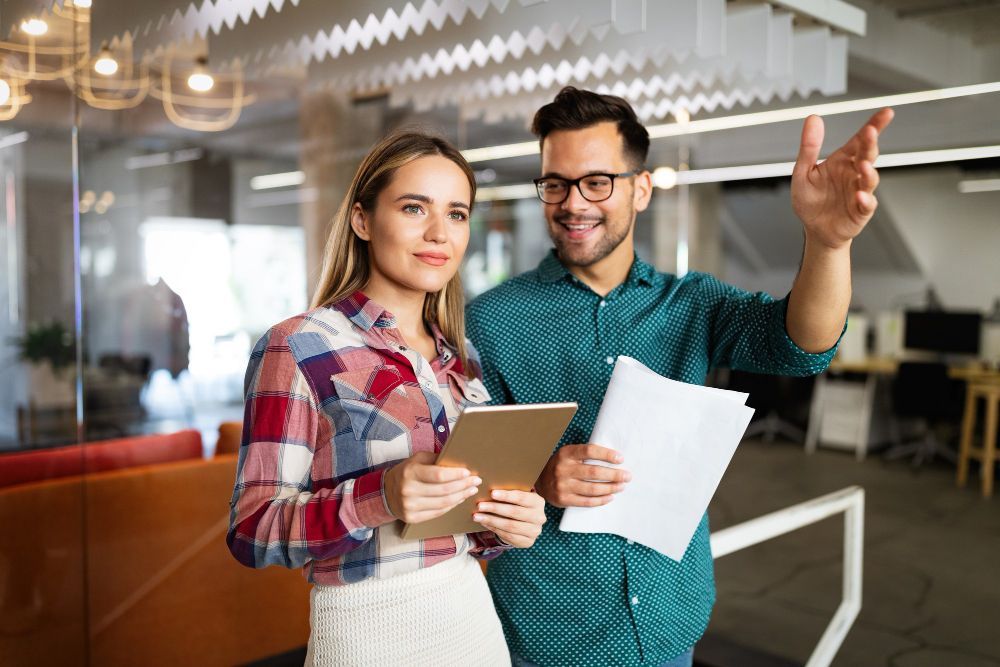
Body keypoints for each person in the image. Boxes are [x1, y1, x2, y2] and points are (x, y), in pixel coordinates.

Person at [466, 86, 893, 666]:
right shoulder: (491, 322)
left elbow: (802, 350)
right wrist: (539, 480)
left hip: (670, 624)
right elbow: (462, 485)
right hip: (549, 632)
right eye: (556, 184)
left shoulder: (692, 303)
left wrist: (828, 242)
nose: (573, 203)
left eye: (597, 182)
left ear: (641, 188)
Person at [227, 131, 547, 666]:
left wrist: (505, 524)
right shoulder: (299, 345)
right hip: (365, 636)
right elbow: (252, 529)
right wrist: (384, 497)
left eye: (457, 214)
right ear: (362, 220)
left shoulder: (460, 354)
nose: (439, 233)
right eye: (414, 207)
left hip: (473, 624)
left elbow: (464, 521)